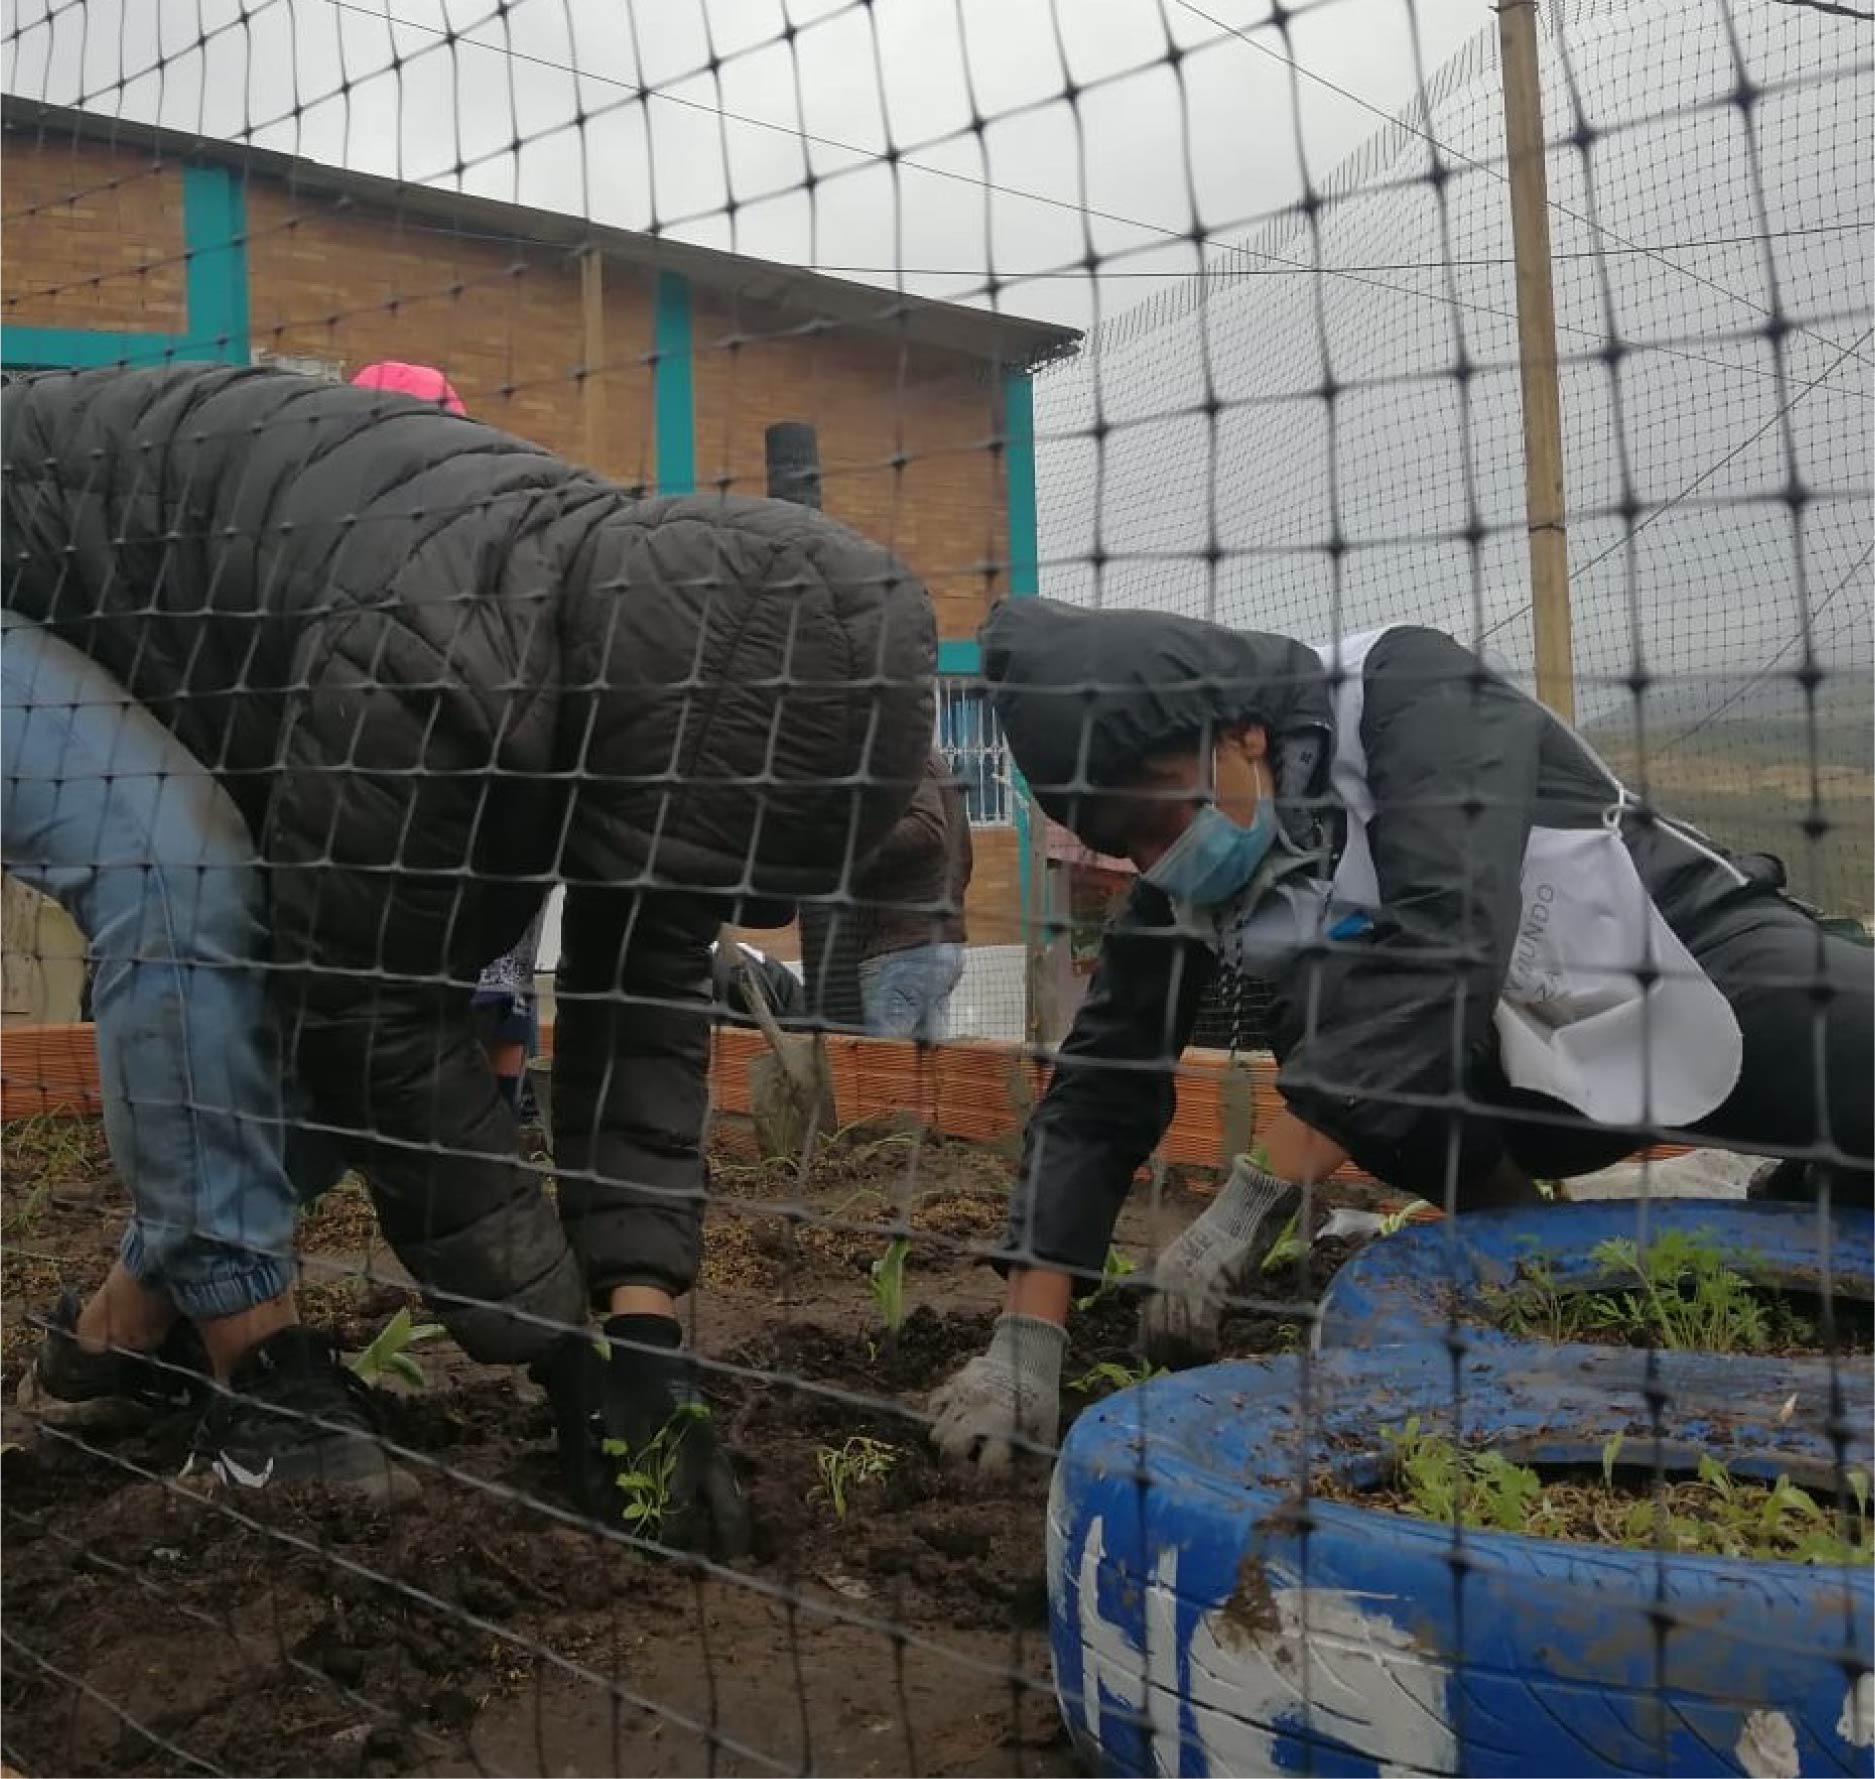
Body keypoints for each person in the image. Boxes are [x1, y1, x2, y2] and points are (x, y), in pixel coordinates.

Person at [3, 363, 935, 1547]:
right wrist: (559, 1357)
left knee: (347, 1001)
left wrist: (644, 1341)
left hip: (200, 615)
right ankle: (259, 1383)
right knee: (183, 879)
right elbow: (369, 1018)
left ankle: (115, 1345)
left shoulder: (646, 678)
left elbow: (640, 994)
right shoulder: (441, 659)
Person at [928, 598, 1872, 1469]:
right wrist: (1024, 1344)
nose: (1157, 859)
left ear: (1239, 731)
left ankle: (1820, 1186)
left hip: (1685, 964)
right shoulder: (1185, 889)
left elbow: (1442, 940)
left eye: (1157, 818)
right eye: (1126, 845)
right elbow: (1098, 1090)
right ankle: (1526, 1255)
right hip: (1527, 1093)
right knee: (1322, 1013)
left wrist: (1245, 1209)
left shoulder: (1409, 690)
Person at [352, 361, 546, 1117]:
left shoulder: (488, 527)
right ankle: (481, 1120)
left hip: (474, 790)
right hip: (431, 793)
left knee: (486, 986)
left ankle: (490, 1119)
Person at [853, 751, 972, 1042]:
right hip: (934, 947)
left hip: (901, 952)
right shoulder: (932, 762)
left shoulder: (902, 754)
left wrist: (852, 845)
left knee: (875, 1065)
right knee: (922, 1068)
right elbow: (963, 858)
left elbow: (927, 828)